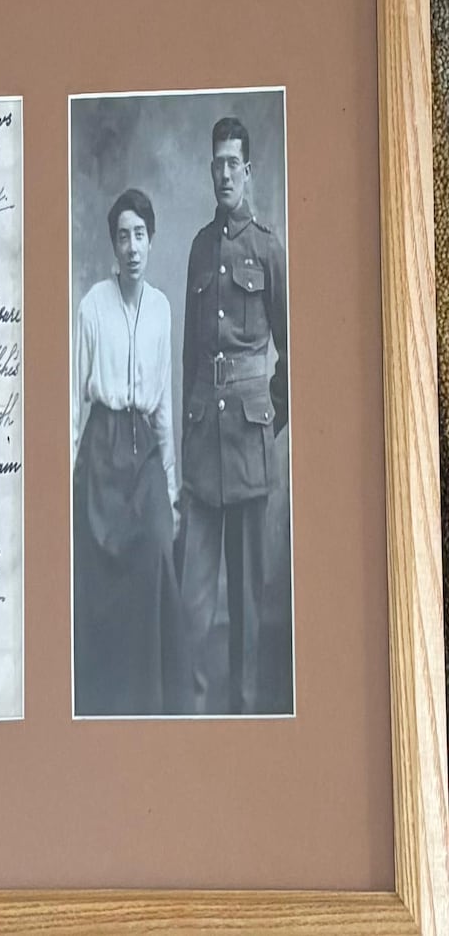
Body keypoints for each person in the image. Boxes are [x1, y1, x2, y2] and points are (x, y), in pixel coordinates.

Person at [177, 117, 288, 715]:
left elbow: (294, 350)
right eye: (216, 163)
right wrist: (187, 423)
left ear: (248, 171)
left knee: (247, 602)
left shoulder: (267, 248)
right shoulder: (198, 246)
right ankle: (190, 719)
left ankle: (244, 718)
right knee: (193, 600)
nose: (224, 173)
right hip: (201, 444)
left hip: (249, 442)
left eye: (233, 164)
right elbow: (190, 356)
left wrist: (269, 416)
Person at [72, 188, 179, 716]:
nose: (132, 246)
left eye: (140, 235)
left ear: (151, 242)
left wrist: (173, 491)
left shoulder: (161, 308)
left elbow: (164, 404)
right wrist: (69, 470)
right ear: (113, 246)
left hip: (144, 459)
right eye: (122, 236)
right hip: (102, 449)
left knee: (159, 545)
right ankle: (102, 704)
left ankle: (151, 701)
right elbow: (74, 400)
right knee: (97, 572)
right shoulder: (92, 305)